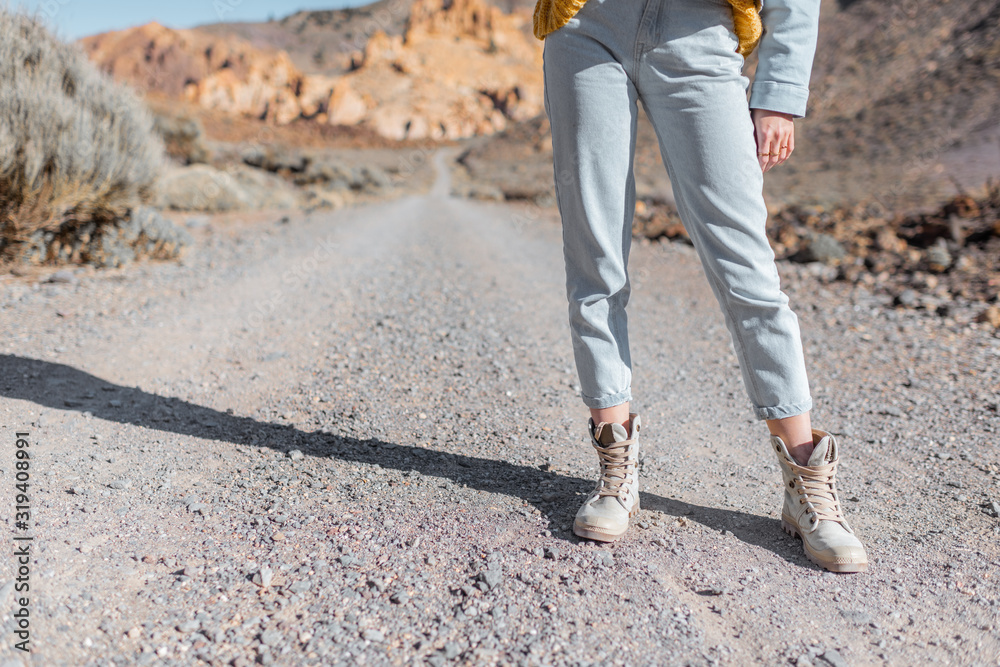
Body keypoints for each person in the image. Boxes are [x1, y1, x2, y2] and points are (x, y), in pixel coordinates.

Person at [533, 0, 868, 572]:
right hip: (588, 25)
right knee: (595, 254)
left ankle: (806, 477)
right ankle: (615, 466)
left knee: (747, 266)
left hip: (701, 30)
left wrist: (779, 93)